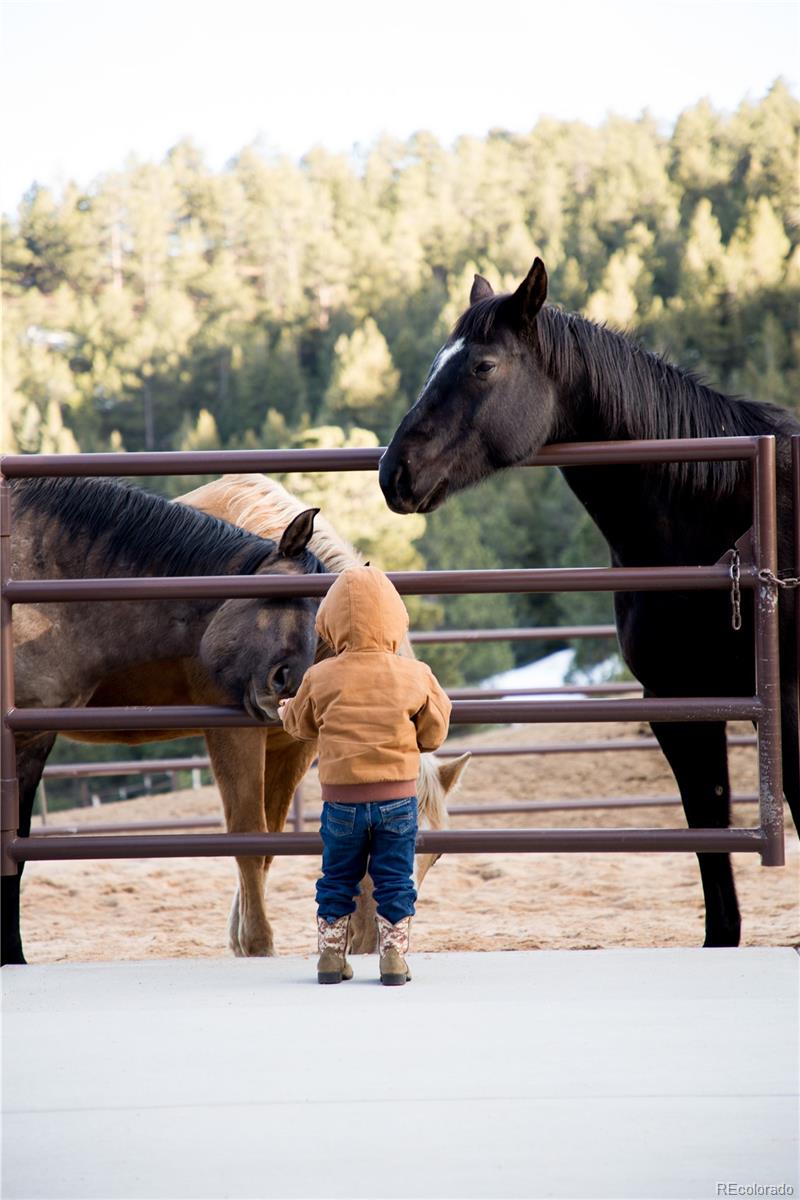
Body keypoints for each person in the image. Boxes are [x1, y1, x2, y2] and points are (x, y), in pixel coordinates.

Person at [278, 565, 451, 986]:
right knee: (395, 879)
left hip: (342, 802)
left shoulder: (320, 676)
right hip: (397, 799)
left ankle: (330, 958)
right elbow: (436, 729)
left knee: (337, 878)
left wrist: (286, 710)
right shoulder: (415, 673)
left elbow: (300, 725)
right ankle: (393, 959)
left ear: (331, 623)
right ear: (395, 618)